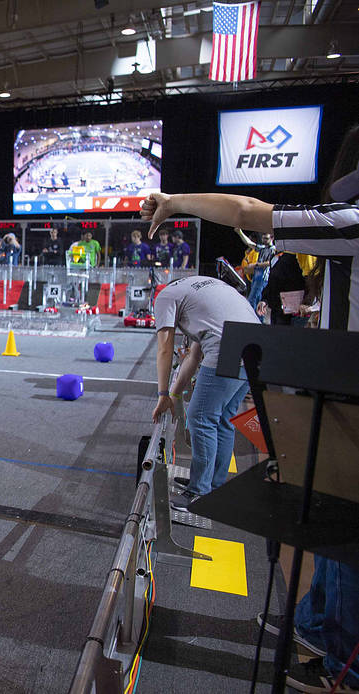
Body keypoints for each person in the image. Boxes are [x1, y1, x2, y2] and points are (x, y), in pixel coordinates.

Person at [142, 125, 359, 691]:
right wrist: (173, 391)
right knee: (332, 516)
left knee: (206, 421)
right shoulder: (193, 291)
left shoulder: (353, 219)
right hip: (269, 355)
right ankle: (315, 627)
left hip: (334, 385)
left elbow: (247, 210)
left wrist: (173, 201)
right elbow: (193, 347)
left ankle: (343, 664)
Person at [150, 276, 258, 509]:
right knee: (223, 418)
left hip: (227, 349)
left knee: (200, 418)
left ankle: (200, 492)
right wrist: (174, 394)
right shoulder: (199, 293)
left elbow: (164, 349)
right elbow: (194, 356)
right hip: (257, 347)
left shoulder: (165, 298)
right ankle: (214, 484)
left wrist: (161, 394)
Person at [235, 227, 276, 315]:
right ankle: (257, 319)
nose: (264, 240)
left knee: (252, 299)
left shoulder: (274, 250)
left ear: (272, 238)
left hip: (263, 278)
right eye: (263, 238)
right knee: (257, 301)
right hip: (256, 277)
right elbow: (249, 243)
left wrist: (256, 265)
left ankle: (251, 318)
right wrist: (240, 232)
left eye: (266, 238)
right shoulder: (262, 248)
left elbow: (271, 263)